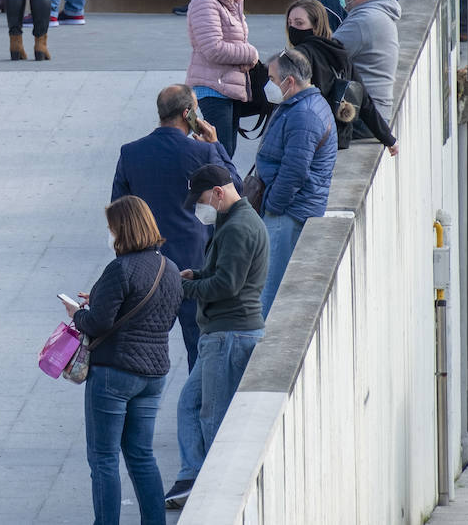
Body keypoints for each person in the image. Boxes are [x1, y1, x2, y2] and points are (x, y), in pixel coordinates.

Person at [64, 196, 182, 525]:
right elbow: (163, 318)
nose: (110, 233)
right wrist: (101, 299)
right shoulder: (169, 268)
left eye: (111, 227)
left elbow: (98, 323)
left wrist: (77, 314)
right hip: (153, 373)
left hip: (114, 374)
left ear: (123, 229)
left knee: (103, 458)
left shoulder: (120, 268)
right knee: (141, 454)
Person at [112, 85, 240, 371]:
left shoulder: (131, 153)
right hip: (194, 264)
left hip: (146, 265)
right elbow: (235, 191)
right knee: (199, 347)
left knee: (139, 347)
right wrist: (216, 145)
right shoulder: (204, 152)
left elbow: (118, 210)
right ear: (187, 114)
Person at [164, 164, 269, 510]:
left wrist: (185, 286)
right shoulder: (234, 221)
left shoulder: (238, 227)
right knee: (190, 404)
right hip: (225, 333)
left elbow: (227, 286)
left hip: (229, 335)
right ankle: (193, 475)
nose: (200, 208)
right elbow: (223, 272)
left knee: (212, 414)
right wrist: (200, 273)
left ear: (219, 193)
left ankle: (213, 490)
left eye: (202, 199)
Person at [256, 48, 337, 317]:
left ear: (289, 82)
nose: (268, 85)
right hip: (288, 209)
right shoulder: (301, 105)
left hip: (287, 213)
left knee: (271, 290)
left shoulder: (304, 114)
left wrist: (273, 206)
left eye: (271, 78)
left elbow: (295, 171)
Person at [285, 0, 398, 154]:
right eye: (290, 23)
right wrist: (388, 138)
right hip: (340, 136)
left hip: (312, 139)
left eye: (299, 23)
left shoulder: (300, 55)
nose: (293, 28)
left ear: (316, 26)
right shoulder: (339, 51)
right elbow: (364, 100)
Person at [184, 0, 258, 159]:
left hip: (228, 85)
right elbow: (213, 49)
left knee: (227, 150)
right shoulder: (204, 1)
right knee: (219, 152)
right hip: (213, 88)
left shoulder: (230, 1)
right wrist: (250, 54)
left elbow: (235, 41)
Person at [332, 0, 401, 116]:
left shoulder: (362, 21)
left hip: (363, 116)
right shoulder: (379, 13)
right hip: (374, 111)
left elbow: (323, 56)